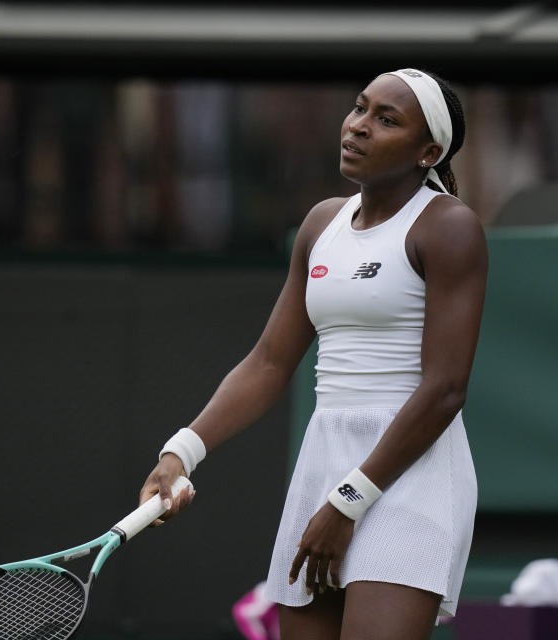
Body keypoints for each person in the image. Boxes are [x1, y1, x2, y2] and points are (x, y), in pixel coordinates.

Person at [139, 68, 487, 640]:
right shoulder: (322, 223)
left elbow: (445, 388)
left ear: (429, 152)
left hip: (410, 473)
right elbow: (270, 362)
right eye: (359, 108)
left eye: (386, 119)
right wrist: (182, 452)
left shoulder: (449, 227)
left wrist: (350, 501)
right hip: (323, 463)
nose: (358, 126)